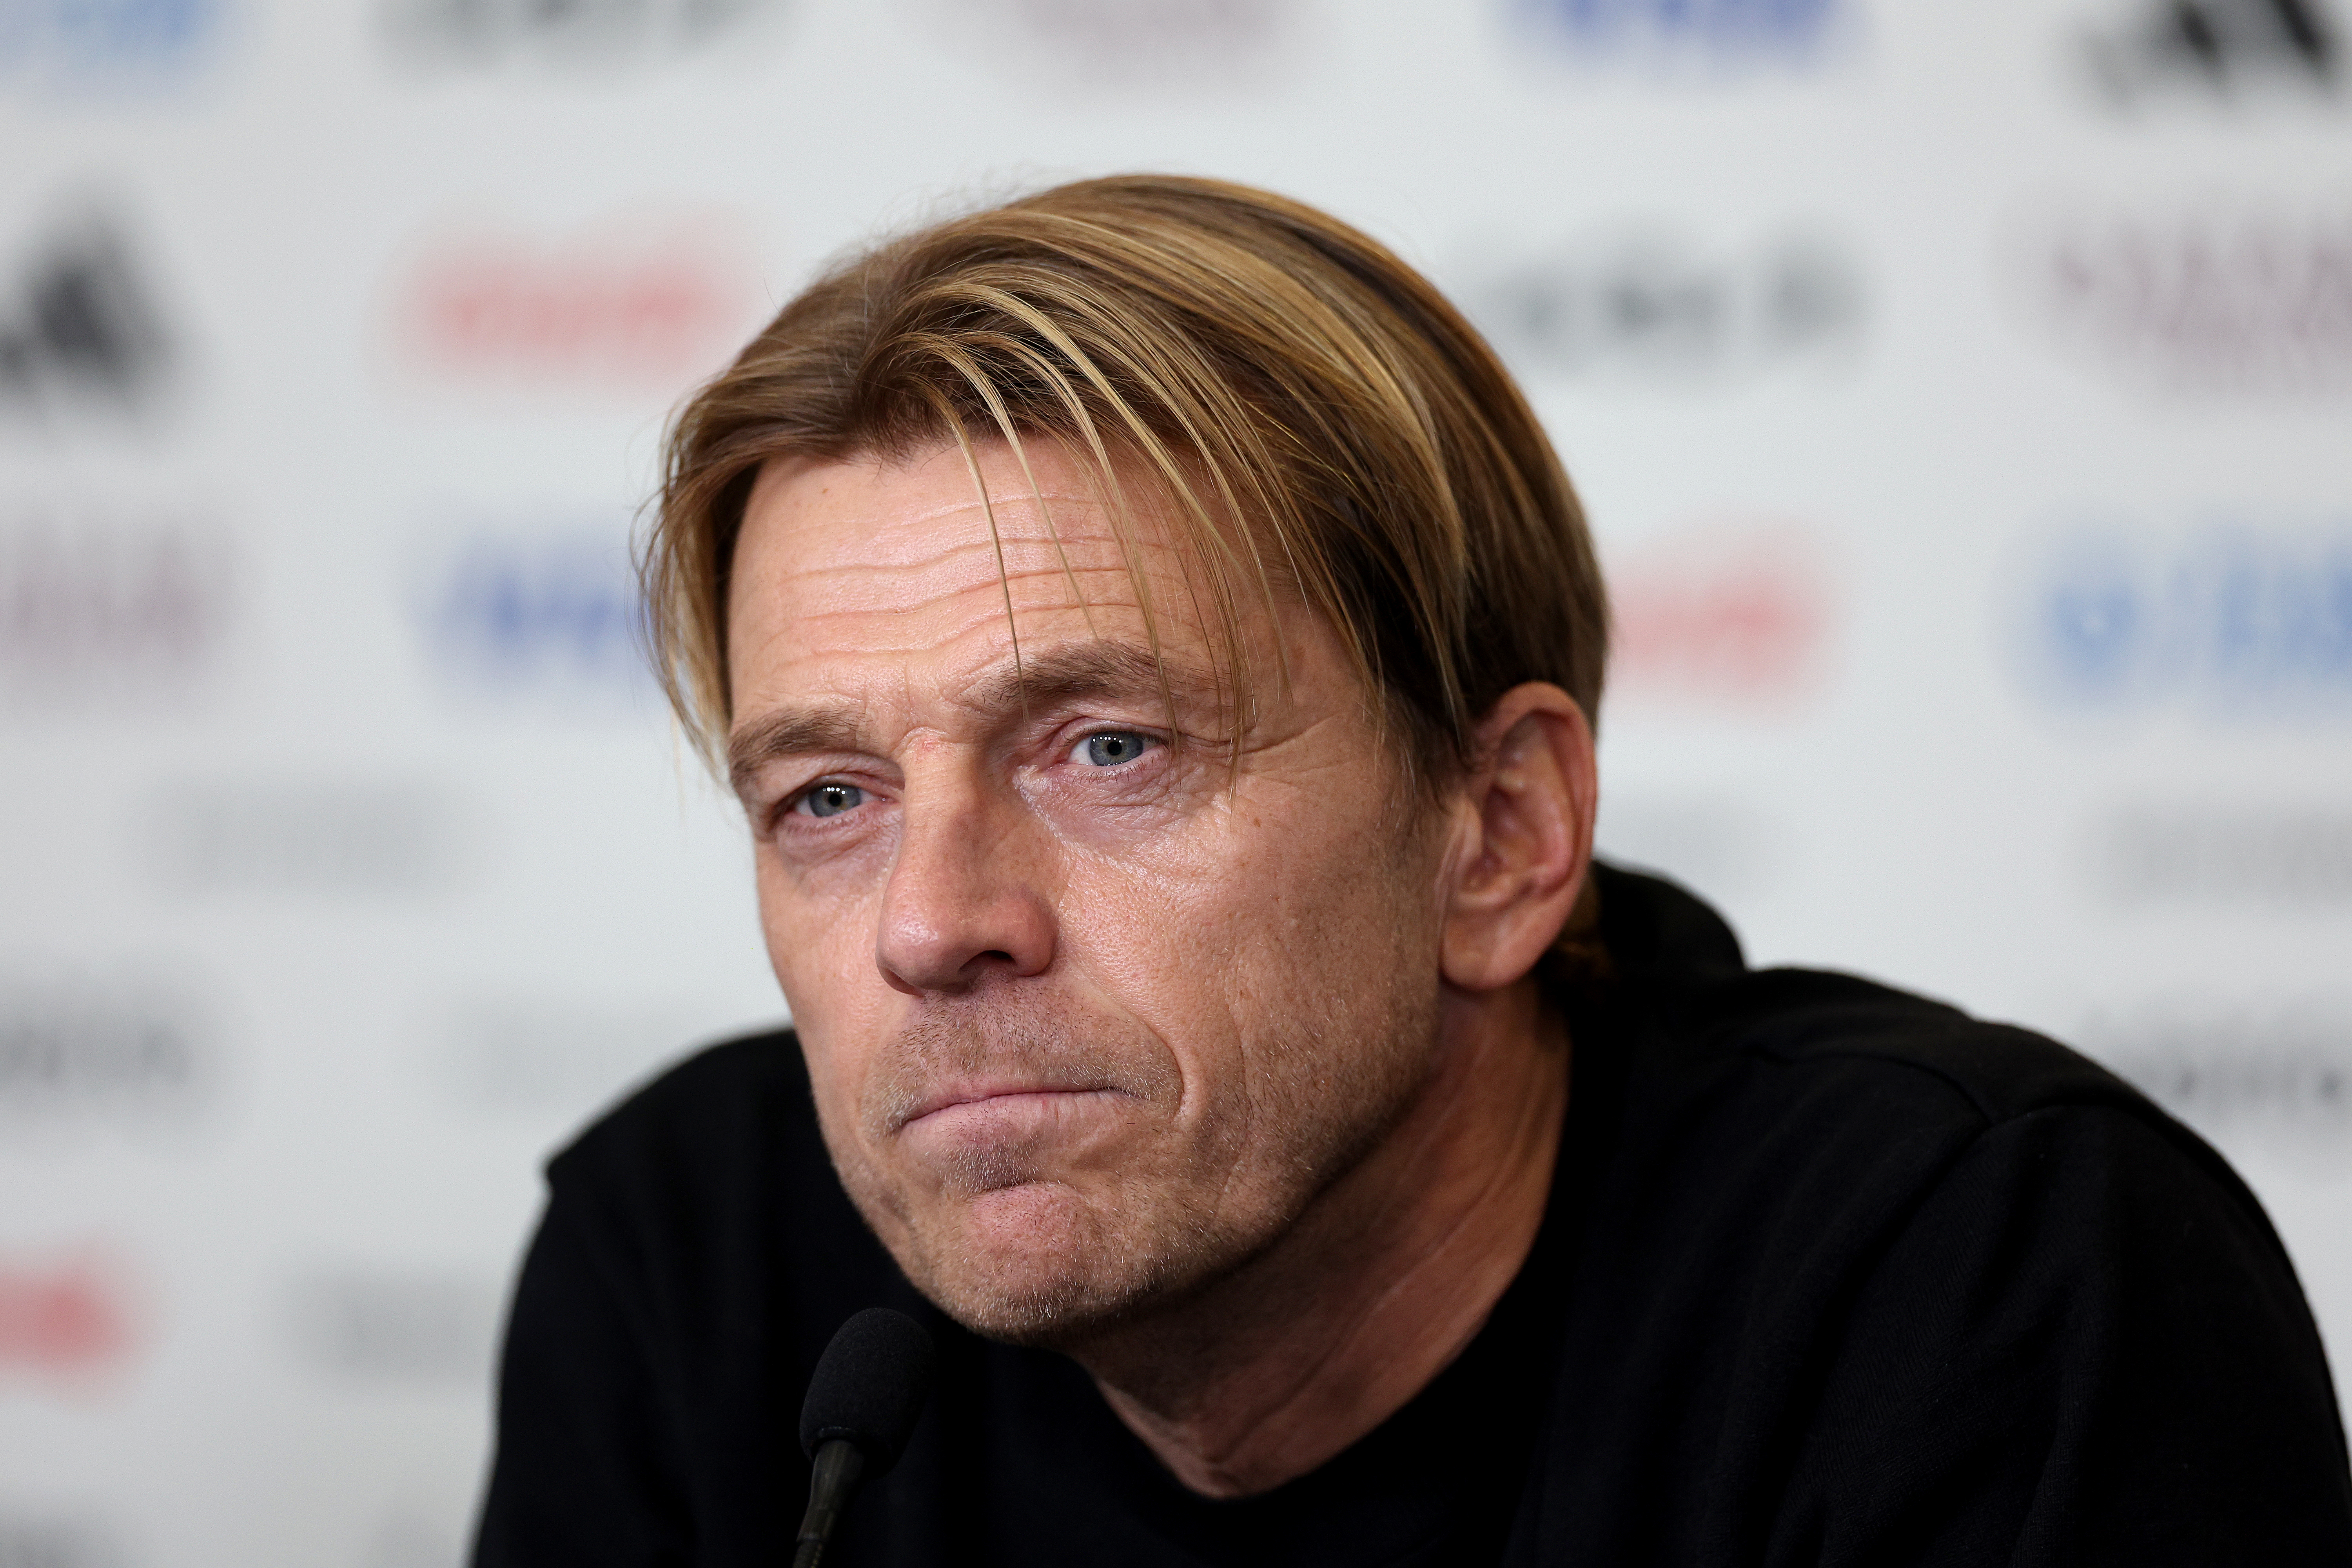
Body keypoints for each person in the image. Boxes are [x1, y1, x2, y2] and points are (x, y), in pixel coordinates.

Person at [469, 175, 2352, 1567]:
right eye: (827, 797)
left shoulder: (1975, 1281)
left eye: (1108, 747)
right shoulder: (693, 1268)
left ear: (1501, 836)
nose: (934, 921)